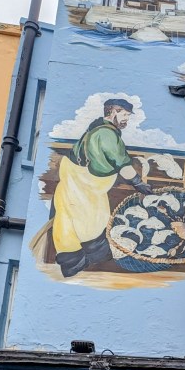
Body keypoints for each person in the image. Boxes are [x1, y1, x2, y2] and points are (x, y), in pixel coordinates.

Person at [52, 97, 153, 278]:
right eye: (125, 115)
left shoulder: (95, 129)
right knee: (92, 222)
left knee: (68, 222)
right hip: (85, 186)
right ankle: (78, 262)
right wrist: (138, 183)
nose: (126, 119)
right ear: (113, 111)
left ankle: (73, 262)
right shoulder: (107, 134)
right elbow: (122, 164)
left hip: (74, 182)